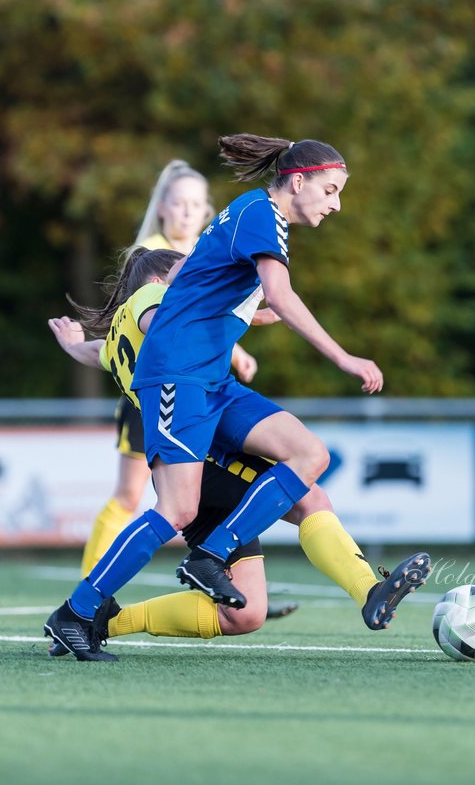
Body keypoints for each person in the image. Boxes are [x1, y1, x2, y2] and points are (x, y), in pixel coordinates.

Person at [45, 136, 430, 660]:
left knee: (311, 456)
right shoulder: (251, 221)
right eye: (331, 190)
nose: (336, 203)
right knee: (177, 509)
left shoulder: (246, 221)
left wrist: (77, 346)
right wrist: (344, 357)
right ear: (298, 181)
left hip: (212, 383)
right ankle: (78, 611)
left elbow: (139, 331)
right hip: (180, 381)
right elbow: (274, 295)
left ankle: (255, 563)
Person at [80, 160, 277, 612]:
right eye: (180, 203)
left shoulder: (200, 253)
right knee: (148, 499)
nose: (188, 212)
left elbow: (196, 321)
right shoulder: (151, 258)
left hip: (191, 384)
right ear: (163, 207)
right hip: (160, 387)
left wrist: (237, 345)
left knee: (182, 501)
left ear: (206, 209)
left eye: (196, 204)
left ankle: (229, 577)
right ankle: (91, 590)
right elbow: (162, 325)